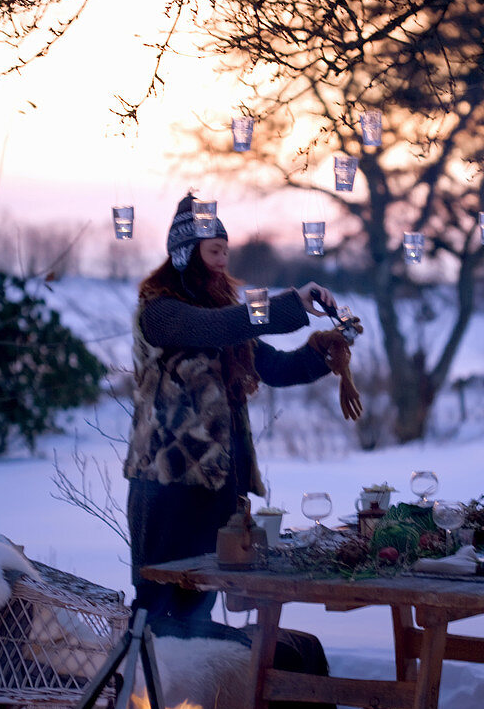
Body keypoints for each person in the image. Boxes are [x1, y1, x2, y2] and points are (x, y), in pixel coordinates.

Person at [123, 192, 341, 626]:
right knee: (159, 608)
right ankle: (139, 689)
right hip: (166, 486)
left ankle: (195, 694)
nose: (223, 261)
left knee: (200, 612)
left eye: (226, 250)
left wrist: (321, 353)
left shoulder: (221, 314)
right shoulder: (161, 313)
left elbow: (275, 368)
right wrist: (293, 303)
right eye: (214, 251)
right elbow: (220, 326)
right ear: (187, 255)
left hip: (218, 487)